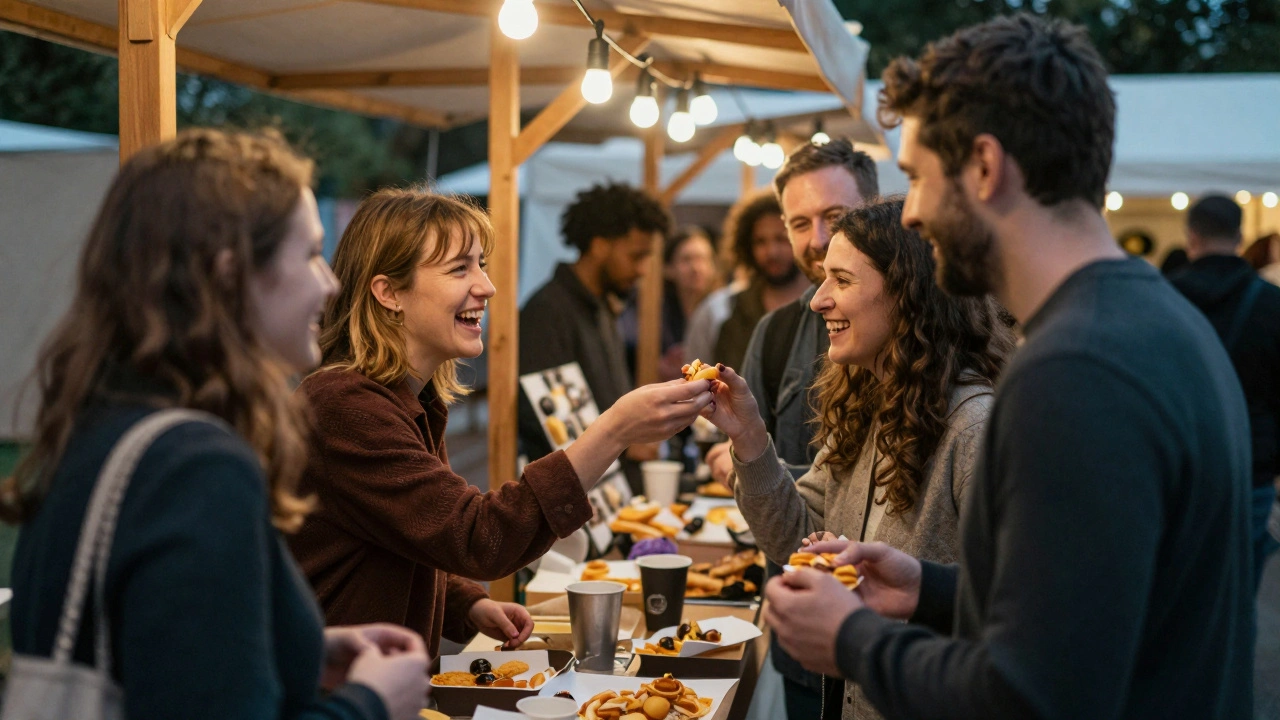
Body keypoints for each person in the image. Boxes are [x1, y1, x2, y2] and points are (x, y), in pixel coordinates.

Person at [764, 14, 1254, 719]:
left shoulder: (1075, 374)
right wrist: (929, 590)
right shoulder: (1162, 322)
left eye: (919, 178)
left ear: (986, 167)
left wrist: (854, 640)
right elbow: (1094, 612)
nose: (909, 216)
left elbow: (1032, 696)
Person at [4, 129, 429, 720]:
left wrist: (300, 650)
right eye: (308, 253)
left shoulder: (104, 428)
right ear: (230, 273)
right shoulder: (197, 467)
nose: (329, 283)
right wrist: (372, 703)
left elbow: (157, 655)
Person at [290, 188, 713, 658]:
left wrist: (465, 602)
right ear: (389, 292)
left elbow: (401, 537)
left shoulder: (410, 398)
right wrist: (613, 430)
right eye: (459, 268)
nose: (487, 286)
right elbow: (479, 536)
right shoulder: (344, 406)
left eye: (481, 264)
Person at [704, 198, 1013, 719]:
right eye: (823, 279)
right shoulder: (871, 402)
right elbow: (789, 535)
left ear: (908, 294)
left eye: (842, 280)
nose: (817, 300)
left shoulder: (974, 429)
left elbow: (1011, 618)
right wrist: (750, 438)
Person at [703, 139, 879, 720]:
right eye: (800, 222)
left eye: (836, 217)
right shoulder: (777, 334)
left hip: (901, 655)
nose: (818, 239)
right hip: (805, 640)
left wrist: (756, 465)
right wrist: (748, 455)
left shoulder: (950, 374)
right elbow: (799, 515)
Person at [1169, 195, 1280, 592]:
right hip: (1250, 468)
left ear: (1191, 236)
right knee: (1239, 600)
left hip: (1179, 472)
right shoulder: (1272, 303)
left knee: (1180, 604)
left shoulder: (1162, 299)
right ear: (1239, 236)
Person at [519, 182, 671, 463]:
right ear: (599, 246)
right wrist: (625, 446)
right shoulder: (547, 312)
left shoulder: (601, 307)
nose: (642, 270)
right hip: (566, 493)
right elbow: (546, 418)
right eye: (636, 256)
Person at [710, 190, 809, 370]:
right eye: (760, 242)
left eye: (781, 239)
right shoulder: (736, 311)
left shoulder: (823, 306)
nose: (771, 252)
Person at [619, 226, 719, 380]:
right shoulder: (652, 313)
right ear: (668, 268)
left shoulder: (721, 310)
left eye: (703, 259)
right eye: (687, 260)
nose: (696, 268)